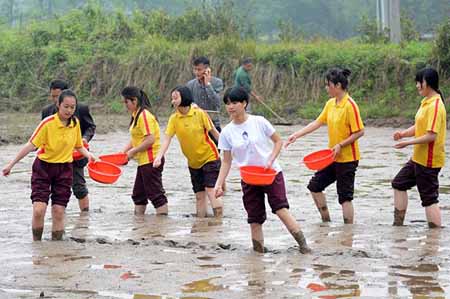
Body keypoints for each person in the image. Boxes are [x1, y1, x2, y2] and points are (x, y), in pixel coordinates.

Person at [214, 87, 311, 253]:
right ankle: (258, 252)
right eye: (228, 103)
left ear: (244, 103)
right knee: (254, 218)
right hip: (249, 178)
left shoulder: (259, 121)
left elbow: (278, 141)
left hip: (270, 173)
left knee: (281, 209)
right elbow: (227, 161)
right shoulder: (227, 132)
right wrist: (218, 183)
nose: (230, 106)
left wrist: (271, 159)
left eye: (235, 102)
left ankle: (304, 247)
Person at [2, 90, 95, 241]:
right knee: (39, 210)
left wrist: (90, 156)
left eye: (72, 107)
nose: (69, 110)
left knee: (58, 212)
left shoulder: (75, 123)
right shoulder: (47, 123)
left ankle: (55, 248)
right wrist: (11, 164)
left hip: (64, 169)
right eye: (66, 106)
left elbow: (79, 146)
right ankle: (37, 244)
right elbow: (30, 145)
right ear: (58, 105)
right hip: (43, 168)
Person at [285, 68, 364, 224]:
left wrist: (341, 144)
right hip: (332, 157)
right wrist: (297, 135)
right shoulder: (330, 104)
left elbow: (360, 132)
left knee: (345, 197)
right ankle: (326, 221)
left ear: (338, 85)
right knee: (315, 186)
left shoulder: (350, 105)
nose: (326, 88)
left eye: (328, 85)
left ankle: (348, 230)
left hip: (348, 159)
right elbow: (317, 122)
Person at [154, 86, 223, 218]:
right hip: (193, 162)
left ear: (184, 98)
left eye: (176, 98)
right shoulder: (174, 119)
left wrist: (228, 149)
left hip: (210, 157)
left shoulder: (199, 113)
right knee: (199, 196)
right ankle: (201, 225)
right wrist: (159, 157)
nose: (172, 101)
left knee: (211, 190)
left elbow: (214, 132)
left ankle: (218, 225)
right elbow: (167, 139)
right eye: (172, 98)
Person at [391, 68, 446, 228]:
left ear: (427, 83)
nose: (417, 86)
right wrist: (403, 134)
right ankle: (398, 224)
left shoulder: (436, 105)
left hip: (429, 161)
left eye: (419, 82)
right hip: (418, 159)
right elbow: (419, 126)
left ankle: (435, 236)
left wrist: (407, 143)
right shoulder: (426, 102)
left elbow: (431, 136)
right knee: (399, 183)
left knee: (429, 198)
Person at [42, 79, 96, 212]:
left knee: (78, 187)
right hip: (54, 157)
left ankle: (85, 216)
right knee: (56, 188)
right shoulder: (47, 111)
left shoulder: (81, 109)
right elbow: (42, 134)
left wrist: (84, 139)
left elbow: (90, 127)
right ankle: (60, 215)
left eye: (57, 96)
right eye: (53, 96)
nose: (55, 99)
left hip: (76, 155)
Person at [121, 86, 168, 216]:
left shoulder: (144, 116)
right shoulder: (136, 114)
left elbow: (150, 139)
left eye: (126, 102)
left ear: (134, 100)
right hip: (143, 161)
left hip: (152, 160)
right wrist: (123, 152)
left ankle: (162, 224)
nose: (125, 105)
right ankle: (140, 223)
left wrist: (132, 152)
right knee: (139, 194)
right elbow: (136, 138)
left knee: (156, 195)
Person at [186, 56, 224, 143]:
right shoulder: (190, 85)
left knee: (215, 153)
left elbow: (217, 102)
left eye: (199, 70)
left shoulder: (217, 83)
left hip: (213, 124)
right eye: (195, 69)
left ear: (207, 70)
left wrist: (208, 85)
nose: (196, 72)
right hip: (196, 125)